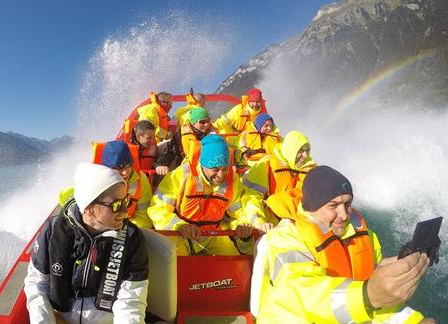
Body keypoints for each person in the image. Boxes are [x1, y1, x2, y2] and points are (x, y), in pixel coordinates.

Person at [251, 165, 434, 323]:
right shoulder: (285, 238)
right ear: (313, 206)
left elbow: (375, 296)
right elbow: (305, 294)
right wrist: (367, 295)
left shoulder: (364, 236)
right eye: (334, 205)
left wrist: (410, 319)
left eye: (348, 204)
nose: (345, 214)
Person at [25, 163, 149, 324]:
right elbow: (38, 283)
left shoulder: (132, 238)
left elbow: (130, 300)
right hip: (59, 319)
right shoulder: (53, 230)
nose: (125, 211)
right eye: (117, 205)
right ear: (89, 207)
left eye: (126, 200)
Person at [148, 134, 274, 256]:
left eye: (225, 168)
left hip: (213, 235)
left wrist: (241, 226)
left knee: (234, 263)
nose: (221, 175)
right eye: (215, 169)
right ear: (203, 165)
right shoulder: (181, 176)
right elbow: (158, 208)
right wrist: (180, 226)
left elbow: (239, 212)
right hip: (181, 235)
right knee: (174, 265)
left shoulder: (232, 180)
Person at [59, 141, 153, 229]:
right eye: (119, 167)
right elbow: (67, 199)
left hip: (129, 229)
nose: (125, 172)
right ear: (107, 168)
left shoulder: (141, 179)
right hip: (101, 228)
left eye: (128, 165)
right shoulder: (94, 179)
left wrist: (125, 230)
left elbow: (144, 217)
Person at [244, 130, 316, 198]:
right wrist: (256, 211)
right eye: (301, 151)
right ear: (291, 150)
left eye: (307, 151)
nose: (305, 155)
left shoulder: (313, 171)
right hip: (268, 210)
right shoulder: (267, 163)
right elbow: (252, 196)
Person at [155, 106, 214, 176]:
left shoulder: (214, 134)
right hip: (186, 174)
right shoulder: (179, 136)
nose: (206, 124)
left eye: (208, 121)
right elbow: (168, 152)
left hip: (209, 173)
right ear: (193, 122)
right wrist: (162, 164)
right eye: (202, 122)